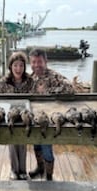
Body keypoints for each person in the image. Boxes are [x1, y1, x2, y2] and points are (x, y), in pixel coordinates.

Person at [28, 48, 75, 181]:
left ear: (46, 61)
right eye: (34, 62)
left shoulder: (54, 76)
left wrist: (49, 90)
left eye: (40, 62)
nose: (37, 65)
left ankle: (49, 176)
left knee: (46, 146)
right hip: (35, 117)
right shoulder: (30, 78)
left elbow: (70, 89)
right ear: (30, 63)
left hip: (49, 118)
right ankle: (40, 168)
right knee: (36, 144)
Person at [0, 51, 34, 180]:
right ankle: (14, 170)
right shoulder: (2, 83)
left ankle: (23, 170)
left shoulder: (30, 81)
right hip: (9, 115)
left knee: (23, 142)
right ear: (10, 67)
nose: (18, 69)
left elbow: (34, 99)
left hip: (25, 115)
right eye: (15, 65)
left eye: (21, 65)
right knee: (12, 142)